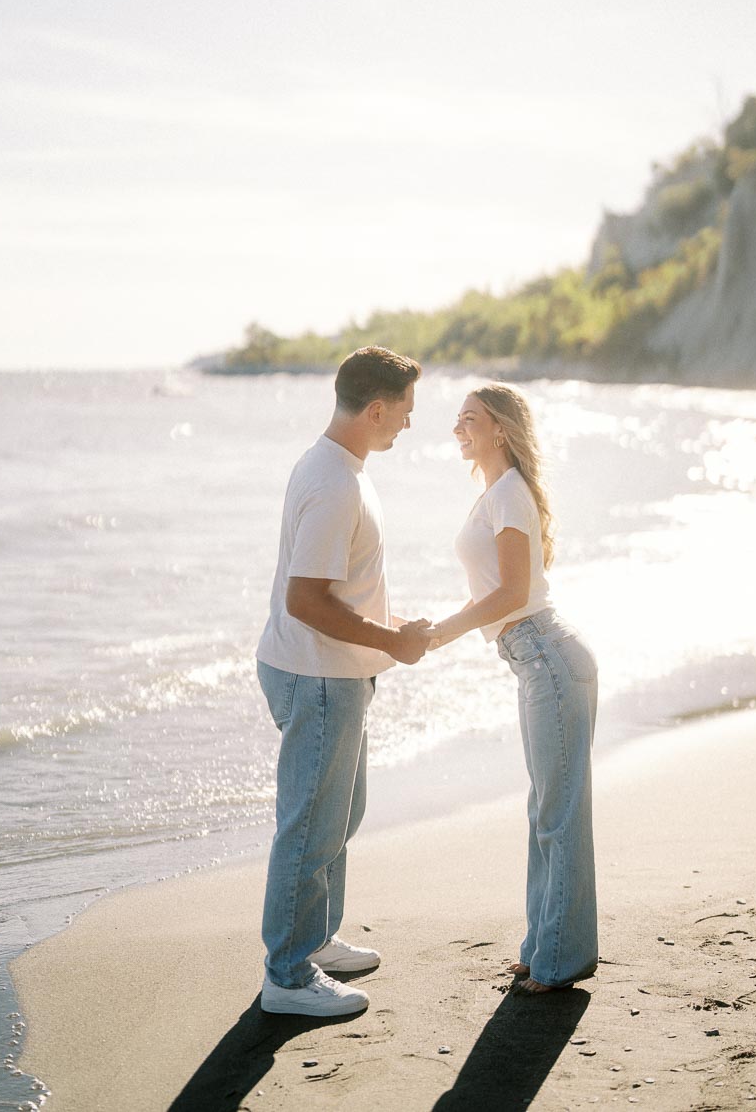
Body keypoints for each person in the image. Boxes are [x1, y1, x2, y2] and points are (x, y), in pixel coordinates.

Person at [256, 345, 430, 1017]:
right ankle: (288, 975)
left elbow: (337, 583)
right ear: (377, 408)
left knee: (340, 813)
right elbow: (308, 600)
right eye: (405, 413)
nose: (408, 426)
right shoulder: (334, 482)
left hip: (330, 671)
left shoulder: (341, 468)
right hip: (318, 675)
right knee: (310, 825)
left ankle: (316, 937)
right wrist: (393, 642)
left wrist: (388, 632)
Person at [427, 382, 598, 994]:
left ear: (500, 428)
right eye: (457, 419)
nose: (457, 429)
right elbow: (499, 594)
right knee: (545, 810)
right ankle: (542, 946)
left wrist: (442, 632)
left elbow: (510, 593)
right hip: (535, 658)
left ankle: (559, 960)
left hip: (546, 655)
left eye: (469, 419)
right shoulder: (496, 493)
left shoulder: (508, 493)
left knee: (557, 812)